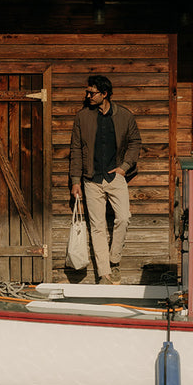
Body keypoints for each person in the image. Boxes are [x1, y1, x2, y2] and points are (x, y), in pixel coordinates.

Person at [69, 75, 141, 285]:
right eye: (87, 92)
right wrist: (75, 180)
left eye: (92, 93)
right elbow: (75, 149)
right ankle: (105, 273)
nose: (88, 96)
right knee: (98, 227)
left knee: (124, 218)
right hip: (91, 179)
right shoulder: (82, 117)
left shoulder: (124, 116)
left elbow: (135, 142)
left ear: (105, 94)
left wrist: (124, 167)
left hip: (115, 177)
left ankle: (114, 260)